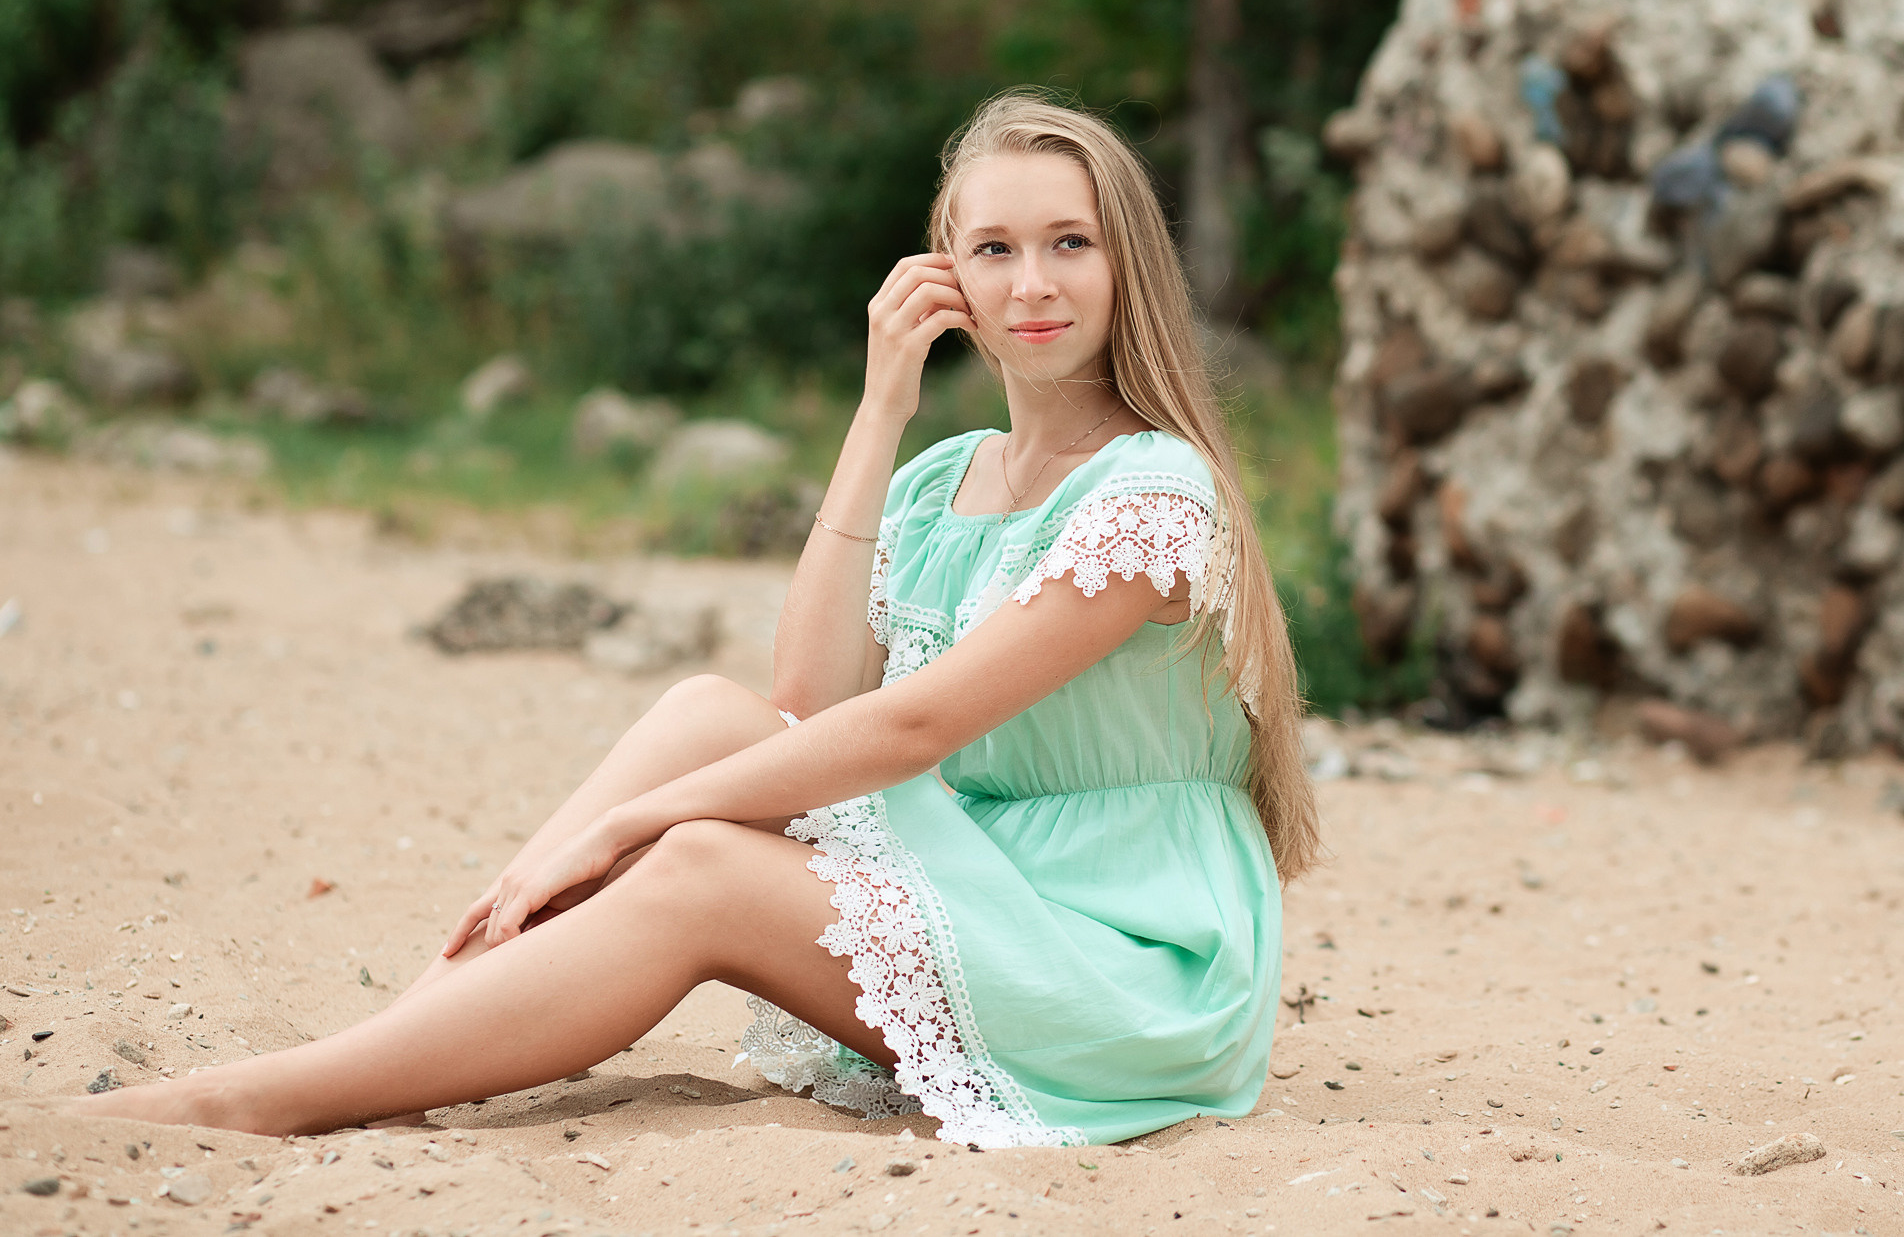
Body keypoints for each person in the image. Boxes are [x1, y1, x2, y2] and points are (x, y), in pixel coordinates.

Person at [78, 90, 1319, 1145]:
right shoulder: (947, 480)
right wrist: (881, 407)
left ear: (1126, 267)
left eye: (1070, 245)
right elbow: (805, 696)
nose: (1032, 283)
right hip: (1002, 886)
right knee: (707, 714)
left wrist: (628, 822)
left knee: (702, 865)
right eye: (993, 250)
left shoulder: (1154, 491)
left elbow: (914, 725)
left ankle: (266, 1099)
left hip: (1129, 960)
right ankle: (399, 1047)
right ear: (942, 274)